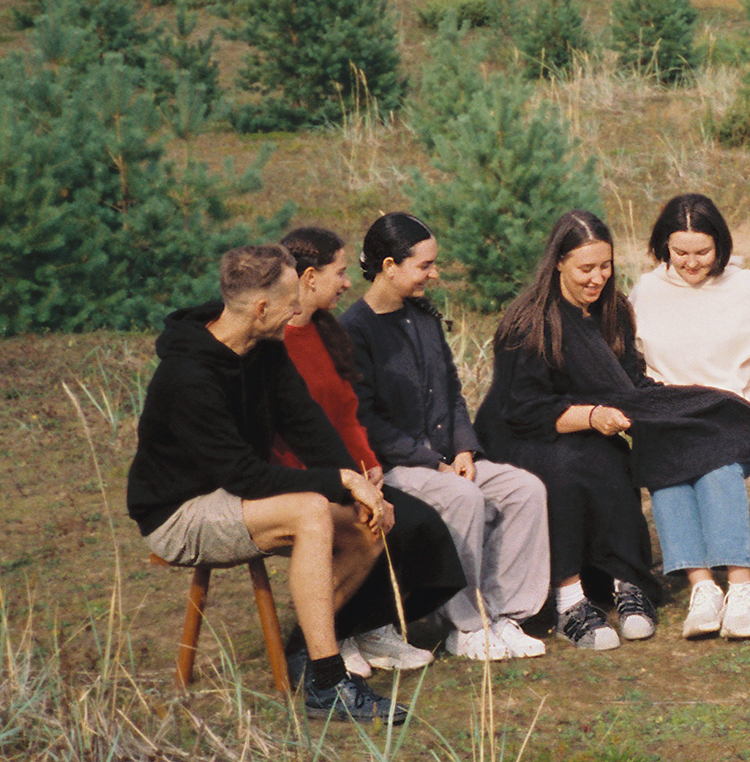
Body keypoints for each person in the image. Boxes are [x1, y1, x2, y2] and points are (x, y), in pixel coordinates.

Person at [476, 209, 750, 651]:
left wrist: (669, 407)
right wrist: (591, 416)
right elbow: (524, 409)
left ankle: (628, 581)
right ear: (559, 263)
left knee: (621, 456)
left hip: (593, 424)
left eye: (605, 266)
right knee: (567, 470)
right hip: (522, 435)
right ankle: (569, 599)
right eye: (586, 268)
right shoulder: (527, 323)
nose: (597, 278)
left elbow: (631, 382)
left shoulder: (613, 311)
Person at [126, 244, 405, 724]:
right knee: (312, 511)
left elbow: (308, 427)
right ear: (260, 308)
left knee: (364, 527)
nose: (298, 311)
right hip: (177, 512)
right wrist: (336, 482)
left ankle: (308, 655)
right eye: (290, 301)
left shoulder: (264, 350)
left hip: (234, 493)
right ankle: (327, 683)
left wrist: (360, 488)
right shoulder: (187, 375)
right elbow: (244, 476)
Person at [341, 213, 553, 662]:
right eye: (425, 266)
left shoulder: (422, 317)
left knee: (523, 489)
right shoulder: (354, 330)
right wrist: (432, 462)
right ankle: (465, 624)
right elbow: (366, 420)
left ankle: (504, 614)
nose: (434, 274)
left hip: (445, 459)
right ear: (388, 266)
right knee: (461, 497)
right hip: (395, 467)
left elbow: (452, 391)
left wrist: (462, 448)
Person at [275, 224, 466, 676]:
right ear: (308, 278)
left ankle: (371, 624)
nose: (347, 282)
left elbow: (347, 413)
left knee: (419, 523)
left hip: (348, 471)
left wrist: (371, 467)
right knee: (379, 523)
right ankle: (329, 634)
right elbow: (283, 433)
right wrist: (343, 480)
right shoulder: (277, 343)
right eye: (339, 273)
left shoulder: (326, 333)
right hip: (301, 478)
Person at [629, 193, 750, 641]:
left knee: (715, 466)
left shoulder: (745, 288)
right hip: (672, 416)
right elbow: (631, 364)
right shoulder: (645, 292)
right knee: (667, 464)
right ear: (663, 246)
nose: (691, 263)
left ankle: (742, 587)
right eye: (680, 252)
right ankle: (702, 587)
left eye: (702, 252)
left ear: (720, 245)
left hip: (737, 413)